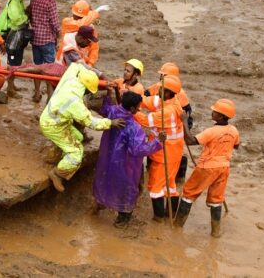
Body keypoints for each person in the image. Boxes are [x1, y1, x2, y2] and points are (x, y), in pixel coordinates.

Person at [40, 62, 122, 192]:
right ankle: (57, 173)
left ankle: (53, 155)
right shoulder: (75, 102)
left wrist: (97, 74)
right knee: (76, 153)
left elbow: (76, 65)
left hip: (53, 117)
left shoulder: (72, 77)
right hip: (53, 125)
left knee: (78, 136)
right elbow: (91, 123)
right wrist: (110, 123)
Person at [93, 90, 162, 228]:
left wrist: (108, 94)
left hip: (108, 159)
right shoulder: (134, 128)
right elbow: (139, 150)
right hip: (126, 164)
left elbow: (103, 108)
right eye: (137, 107)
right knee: (128, 189)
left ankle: (99, 205)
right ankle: (122, 219)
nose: (139, 108)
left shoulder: (112, 112)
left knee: (105, 181)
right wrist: (157, 141)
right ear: (131, 108)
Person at [174, 99, 240, 238]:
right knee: (216, 199)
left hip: (207, 168)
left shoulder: (211, 131)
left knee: (188, 194)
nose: (212, 113)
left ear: (221, 116)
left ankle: (177, 226)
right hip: (223, 168)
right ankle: (215, 232)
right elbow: (236, 145)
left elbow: (190, 141)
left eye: (215, 112)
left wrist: (184, 121)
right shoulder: (234, 130)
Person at [136, 74, 185, 222]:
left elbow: (145, 120)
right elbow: (151, 101)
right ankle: (170, 214)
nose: (158, 91)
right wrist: (135, 97)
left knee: (155, 187)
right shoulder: (173, 101)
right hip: (174, 154)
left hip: (164, 155)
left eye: (161, 89)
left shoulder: (168, 112)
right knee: (169, 185)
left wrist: (131, 110)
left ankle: (158, 217)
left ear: (168, 92)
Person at [0, 0, 30, 95]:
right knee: (12, 59)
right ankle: (10, 88)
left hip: (16, 34)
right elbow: (16, 19)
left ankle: (12, 85)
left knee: (16, 60)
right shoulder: (15, 1)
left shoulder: (19, 0)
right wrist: (26, 16)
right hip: (11, 34)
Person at [29, 0, 60, 102]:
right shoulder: (50, 3)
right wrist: (59, 37)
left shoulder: (35, 0)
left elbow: (30, 18)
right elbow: (55, 24)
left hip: (35, 40)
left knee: (37, 68)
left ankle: (36, 94)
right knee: (50, 70)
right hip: (47, 41)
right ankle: (49, 98)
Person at [56, 0, 108, 66]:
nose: (77, 18)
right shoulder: (67, 22)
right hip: (63, 62)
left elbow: (94, 49)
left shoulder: (91, 28)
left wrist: (90, 64)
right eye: (76, 16)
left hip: (82, 63)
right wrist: (95, 12)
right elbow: (80, 24)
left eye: (81, 17)